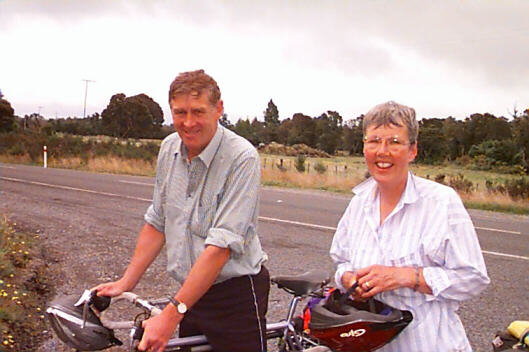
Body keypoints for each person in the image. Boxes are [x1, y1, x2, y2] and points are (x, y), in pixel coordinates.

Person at [96, 70, 269, 352]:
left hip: (234, 294)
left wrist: (171, 314)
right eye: (180, 113)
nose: (188, 123)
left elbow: (220, 247)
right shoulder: (169, 149)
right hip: (191, 292)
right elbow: (157, 221)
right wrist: (125, 283)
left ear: (219, 109)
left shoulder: (242, 158)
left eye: (198, 112)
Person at [330, 101, 490, 352]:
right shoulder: (358, 204)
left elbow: (473, 278)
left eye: (394, 142)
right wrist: (351, 280)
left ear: (412, 150)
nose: (382, 151)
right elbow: (341, 263)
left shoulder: (441, 203)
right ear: (364, 147)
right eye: (374, 141)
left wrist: (404, 277)